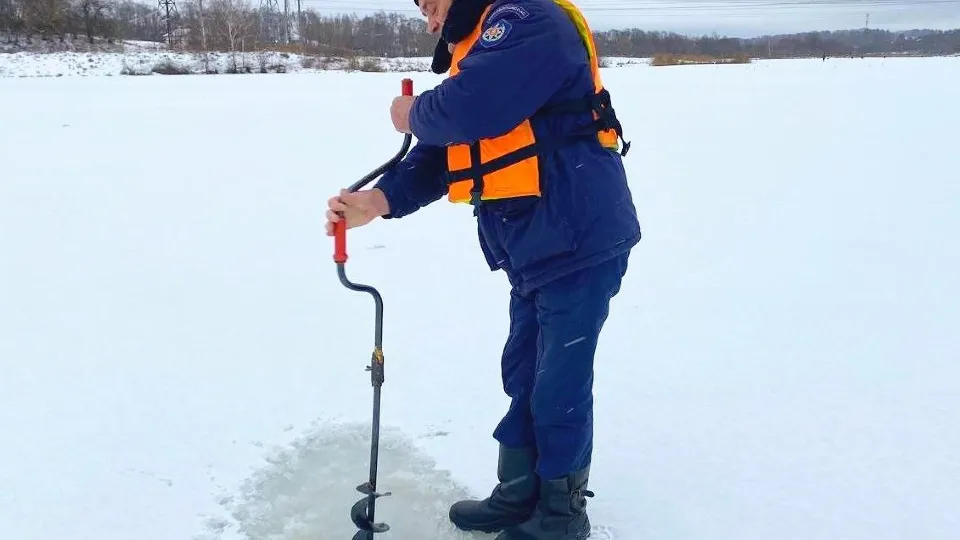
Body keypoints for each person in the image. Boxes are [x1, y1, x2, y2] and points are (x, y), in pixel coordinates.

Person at [325, 0, 640, 538]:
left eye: (432, 5)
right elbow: (444, 151)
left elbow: (471, 108)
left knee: (557, 383)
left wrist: (409, 113)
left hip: (579, 237)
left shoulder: (529, 21)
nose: (429, 21)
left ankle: (561, 518)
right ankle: (519, 493)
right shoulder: (483, 48)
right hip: (535, 247)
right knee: (524, 373)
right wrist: (379, 200)